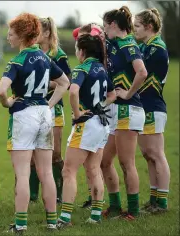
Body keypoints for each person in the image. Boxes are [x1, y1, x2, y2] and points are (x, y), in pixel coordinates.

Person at [0, 12, 69, 232]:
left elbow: (1, 90)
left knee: (23, 173)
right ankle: (52, 221)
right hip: (44, 115)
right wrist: (49, 104)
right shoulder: (46, 58)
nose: (8, 37)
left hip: (24, 115)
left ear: (22, 36)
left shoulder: (16, 61)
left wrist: (7, 103)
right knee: (46, 172)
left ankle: (20, 225)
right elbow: (64, 82)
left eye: (11, 34)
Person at [57, 33, 116, 228]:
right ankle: (96, 215)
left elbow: (73, 91)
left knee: (68, 170)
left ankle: (64, 219)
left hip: (87, 124)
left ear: (82, 51)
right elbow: (113, 95)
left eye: (76, 48)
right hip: (102, 124)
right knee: (93, 169)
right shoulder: (102, 69)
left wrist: (76, 113)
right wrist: (100, 105)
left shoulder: (82, 68)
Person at [101, 6, 148, 220]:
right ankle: (114, 206)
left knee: (126, 162)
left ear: (113, 24)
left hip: (128, 109)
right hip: (115, 110)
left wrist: (128, 93)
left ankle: (134, 211)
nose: (103, 30)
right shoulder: (114, 44)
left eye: (104, 26)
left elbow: (142, 72)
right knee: (104, 161)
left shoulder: (128, 44)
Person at [134, 8, 170, 214]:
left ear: (149, 27)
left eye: (137, 26)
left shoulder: (156, 48)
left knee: (156, 154)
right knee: (148, 154)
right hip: (146, 106)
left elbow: (143, 78)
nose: (134, 30)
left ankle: (162, 202)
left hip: (154, 106)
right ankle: (154, 197)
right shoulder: (147, 46)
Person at [35, 16, 72, 204]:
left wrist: (45, 84)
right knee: (31, 151)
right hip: (32, 108)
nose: (34, 34)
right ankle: (32, 195)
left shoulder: (59, 55)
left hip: (54, 108)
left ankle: (59, 193)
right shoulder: (31, 52)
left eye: (38, 30)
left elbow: (67, 81)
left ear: (47, 33)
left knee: (55, 153)